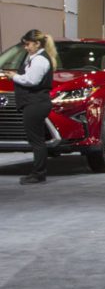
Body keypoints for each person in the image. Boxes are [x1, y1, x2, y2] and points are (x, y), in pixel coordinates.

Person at [0, 30, 56, 184]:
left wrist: (14, 76)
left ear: (37, 44)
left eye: (28, 44)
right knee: (36, 140)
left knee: (36, 141)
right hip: (34, 103)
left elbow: (32, 80)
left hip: (35, 103)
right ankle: (38, 172)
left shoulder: (40, 60)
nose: (26, 47)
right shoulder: (36, 58)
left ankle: (38, 173)